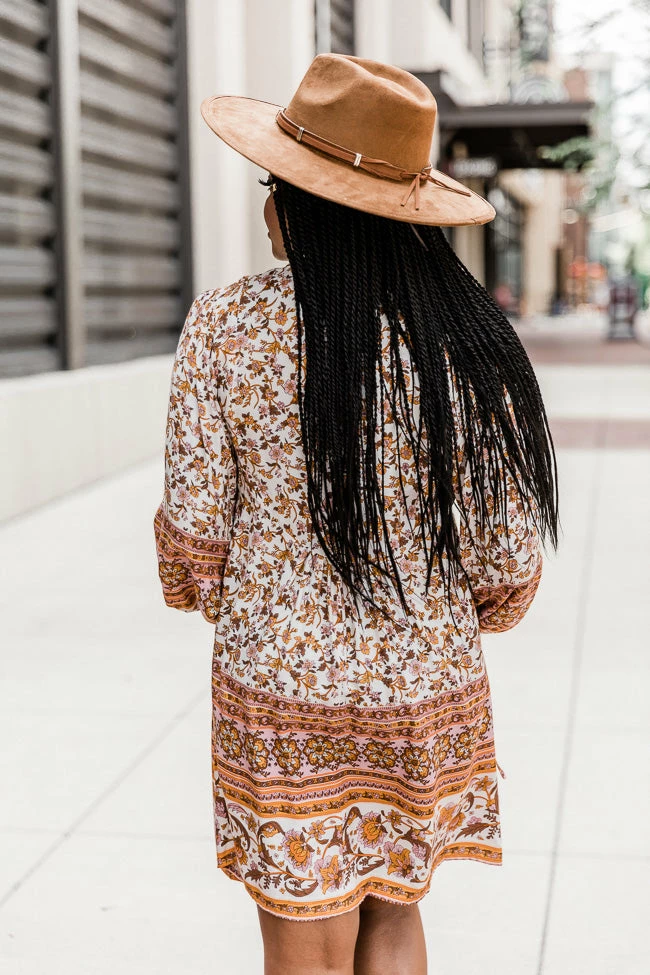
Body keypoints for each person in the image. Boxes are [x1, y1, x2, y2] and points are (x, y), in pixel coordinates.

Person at [153, 54, 558, 975]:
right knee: (395, 915)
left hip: (283, 694)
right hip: (427, 691)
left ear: (301, 201)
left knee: (301, 932)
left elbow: (196, 539)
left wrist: (236, 597)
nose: (265, 207)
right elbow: (505, 566)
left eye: (274, 185)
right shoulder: (472, 342)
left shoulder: (223, 328)